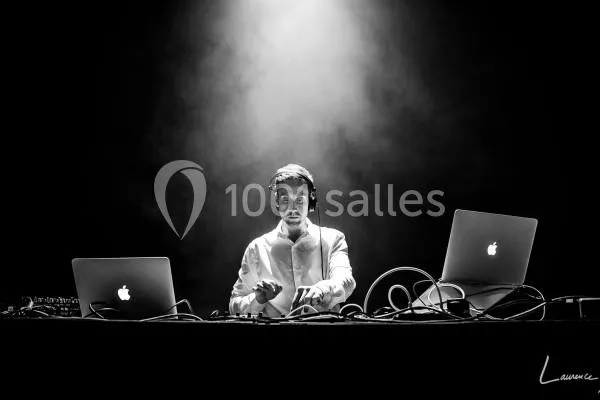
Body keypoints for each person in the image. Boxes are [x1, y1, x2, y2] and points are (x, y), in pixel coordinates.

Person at [229, 164, 356, 318]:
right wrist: (257, 299)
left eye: (300, 199)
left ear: (311, 201)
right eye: (285, 199)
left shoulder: (333, 239)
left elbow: (346, 281)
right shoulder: (256, 248)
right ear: (276, 202)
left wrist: (323, 289)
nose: (293, 208)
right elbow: (235, 305)